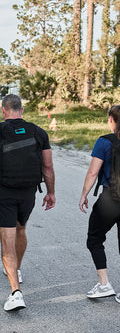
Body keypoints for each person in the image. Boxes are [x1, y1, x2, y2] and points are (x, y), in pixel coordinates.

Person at [0, 94, 55, 311]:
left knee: (7, 241)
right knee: (21, 229)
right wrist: (51, 192)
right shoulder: (38, 132)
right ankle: (16, 269)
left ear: (3, 110)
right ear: (21, 110)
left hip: (3, 191)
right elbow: (47, 167)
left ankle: (15, 292)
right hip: (28, 191)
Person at [79, 105, 120, 301]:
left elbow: (93, 173)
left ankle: (104, 284)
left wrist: (84, 195)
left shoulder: (104, 142)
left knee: (94, 238)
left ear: (111, 119)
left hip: (110, 199)